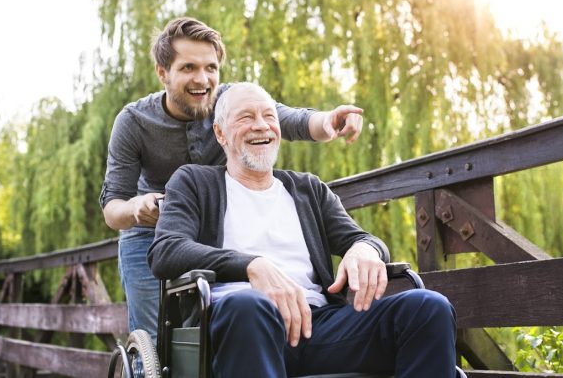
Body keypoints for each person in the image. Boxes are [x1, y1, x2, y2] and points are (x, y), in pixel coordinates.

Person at [148, 82, 458, 377]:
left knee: (428, 308)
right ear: (221, 133)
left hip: (318, 326)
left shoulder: (308, 189)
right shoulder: (194, 182)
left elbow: (361, 238)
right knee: (248, 306)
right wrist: (251, 266)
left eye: (269, 116)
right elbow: (166, 251)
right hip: (240, 327)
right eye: (246, 117)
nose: (261, 125)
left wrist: (365, 249)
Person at [100, 17, 365, 341]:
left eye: (211, 68)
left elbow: (290, 119)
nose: (203, 79)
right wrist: (136, 208)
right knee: (156, 341)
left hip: (211, 229)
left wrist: (330, 121)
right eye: (188, 68)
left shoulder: (230, 104)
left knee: (212, 335)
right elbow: (112, 208)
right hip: (149, 234)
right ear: (162, 72)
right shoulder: (133, 122)